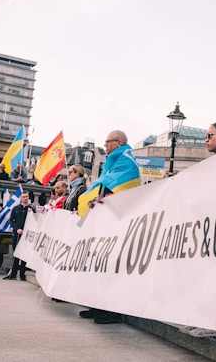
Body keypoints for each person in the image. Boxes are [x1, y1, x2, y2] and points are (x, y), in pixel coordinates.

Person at [179, 122, 216, 338]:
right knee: (203, 271)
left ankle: (215, 323)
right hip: (209, 225)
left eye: (210, 135)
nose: (205, 139)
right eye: (205, 135)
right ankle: (200, 318)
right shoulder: (212, 164)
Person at [78, 130, 141, 324]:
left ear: (119, 142)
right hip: (105, 218)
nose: (105, 145)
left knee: (111, 264)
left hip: (117, 220)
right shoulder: (113, 162)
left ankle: (113, 310)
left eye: (108, 142)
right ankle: (97, 304)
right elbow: (104, 186)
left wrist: (105, 199)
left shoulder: (126, 160)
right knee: (99, 263)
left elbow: (125, 191)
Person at [3, 192, 35, 281]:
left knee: (24, 255)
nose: (25, 198)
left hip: (27, 235)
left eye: (27, 197)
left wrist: (32, 211)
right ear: (21, 198)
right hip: (16, 233)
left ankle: (22, 274)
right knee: (16, 253)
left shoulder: (30, 208)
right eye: (24, 197)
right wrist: (17, 229)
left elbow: (35, 220)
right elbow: (11, 220)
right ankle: (13, 274)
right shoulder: (16, 208)